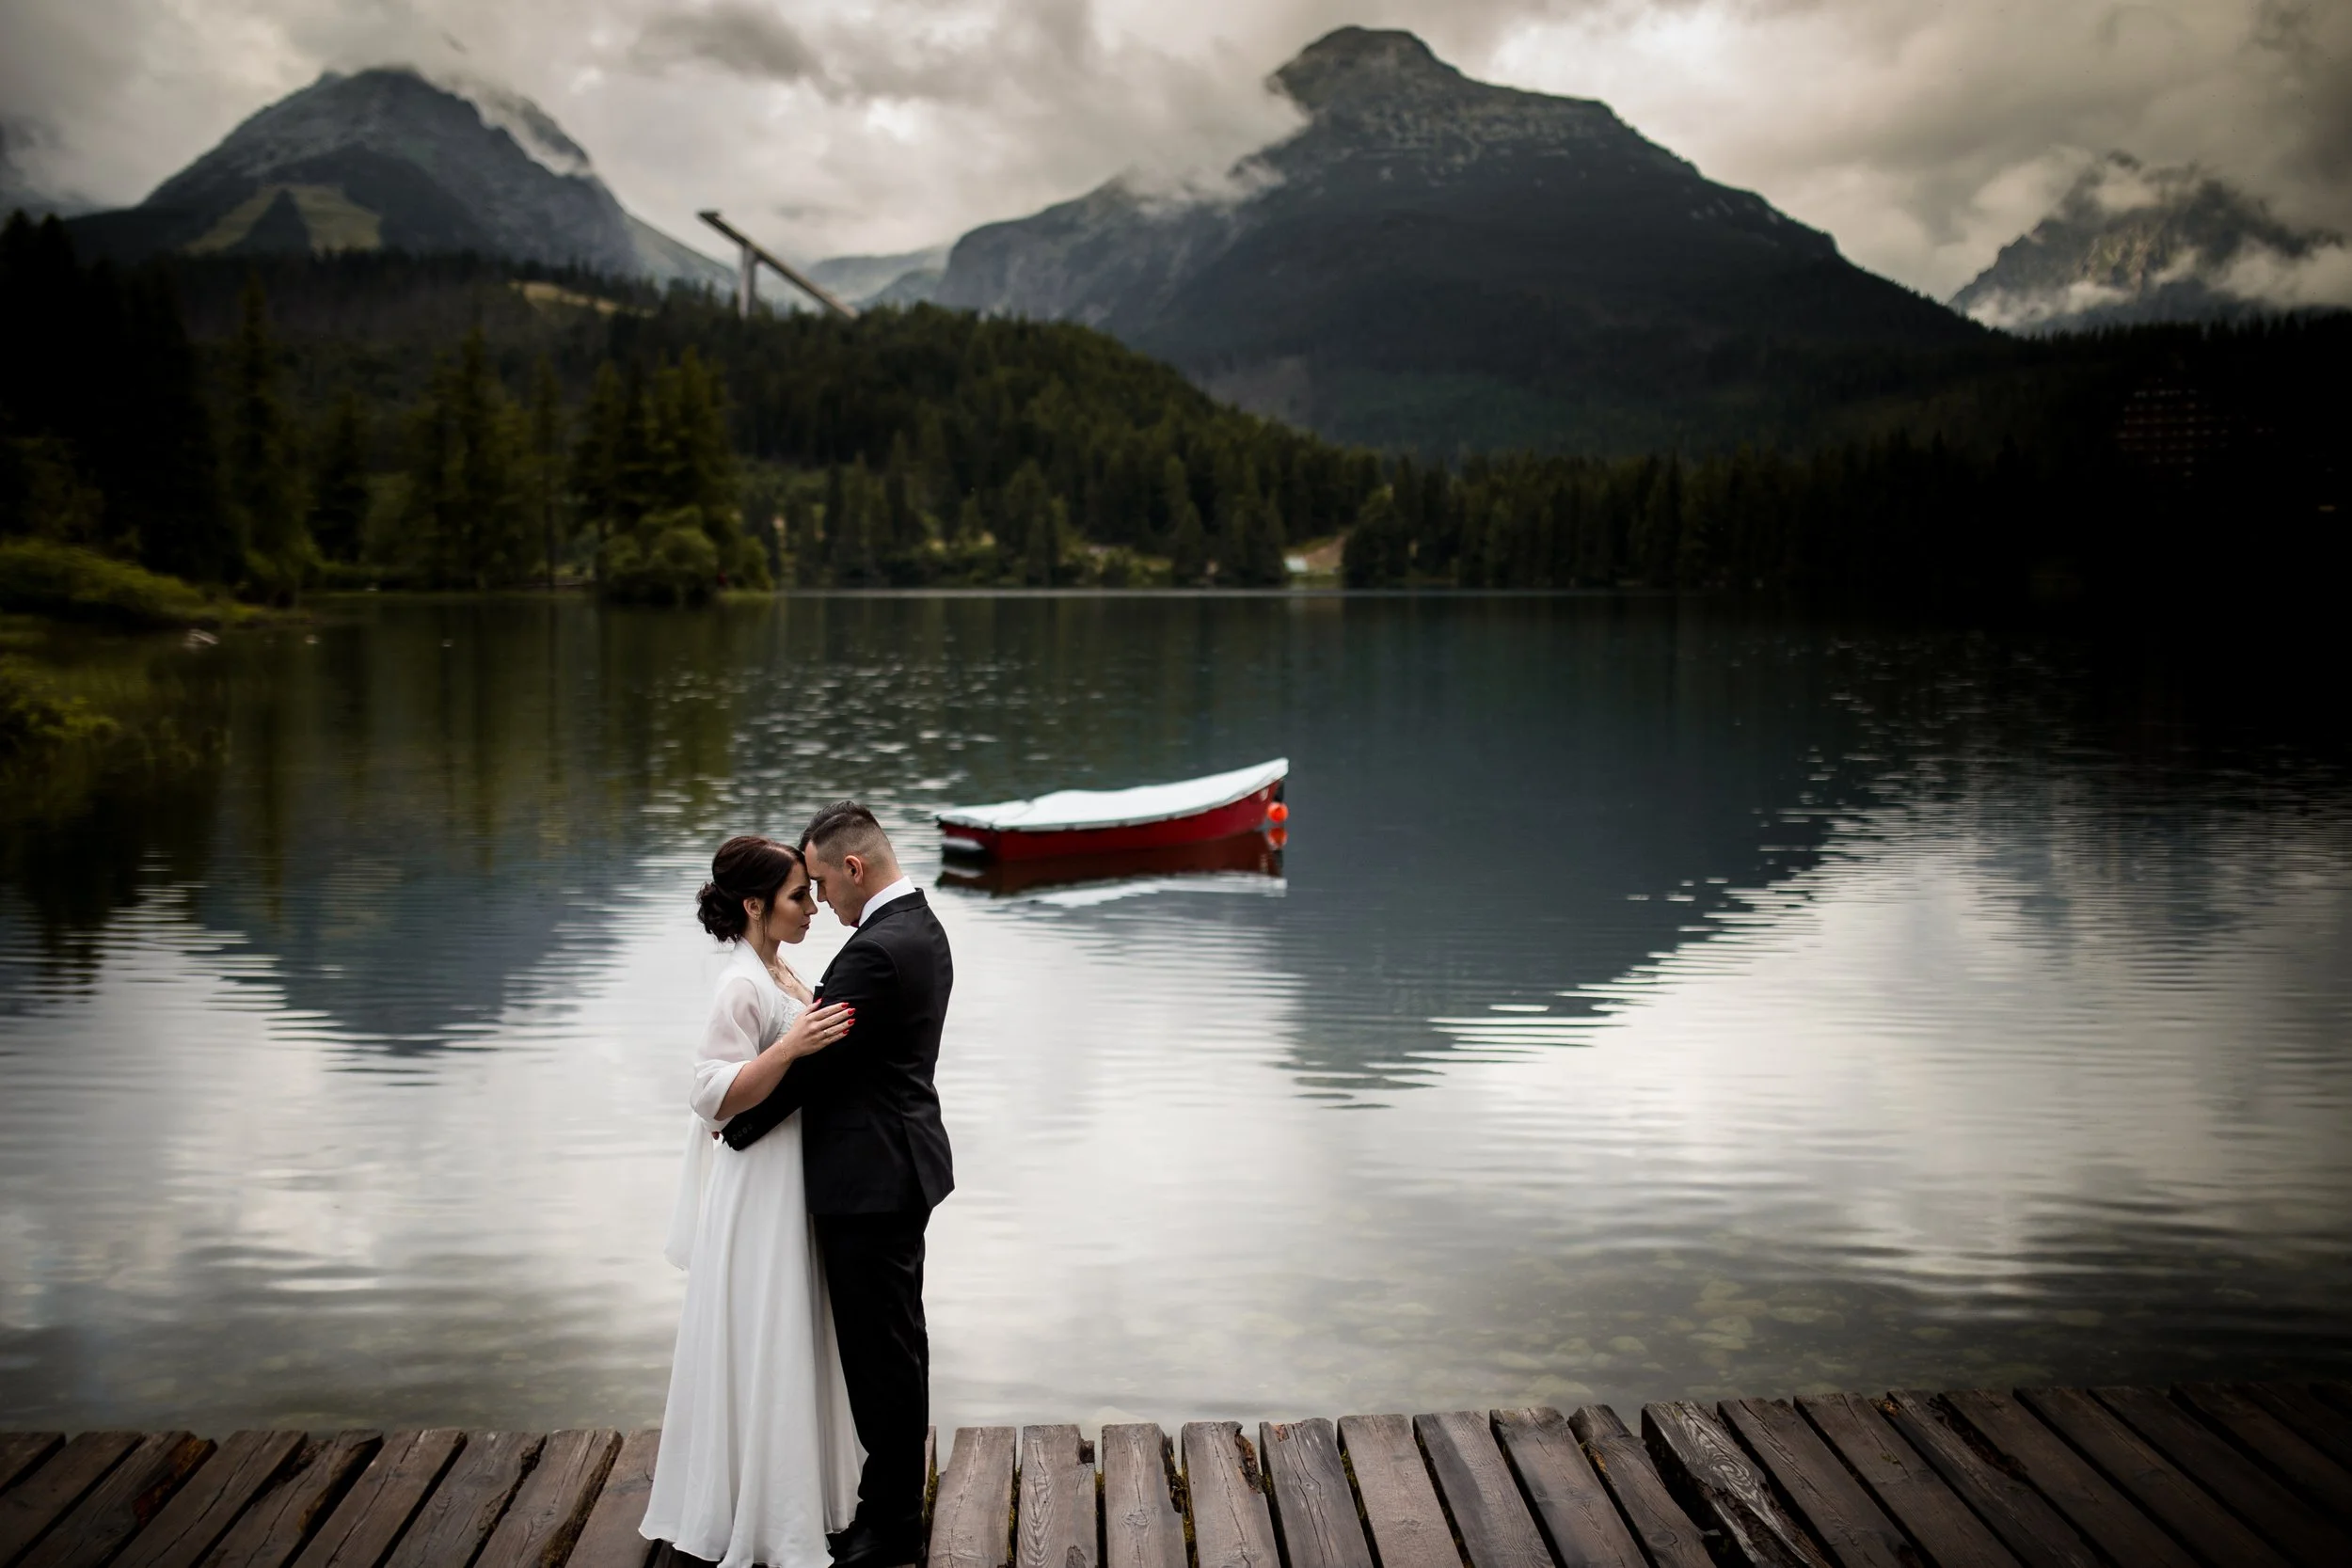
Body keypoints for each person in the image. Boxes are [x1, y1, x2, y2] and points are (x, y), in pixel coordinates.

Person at [723, 801, 954, 1568]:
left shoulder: (872, 953)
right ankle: (889, 1509)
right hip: (901, 1164)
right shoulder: (923, 927)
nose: (819, 900)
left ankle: (887, 1527)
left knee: (880, 1361)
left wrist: (734, 1129)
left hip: (870, 1179)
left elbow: (814, 1065)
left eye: (821, 881)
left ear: (854, 867)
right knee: (898, 1350)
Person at [642, 835, 861, 1568]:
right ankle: (749, 1508)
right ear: (754, 904)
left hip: (790, 1177)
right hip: (758, 1181)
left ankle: (796, 1496)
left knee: (792, 1326)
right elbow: (709, 1094)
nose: (812, 908)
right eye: (799, 896)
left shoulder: (777, 966)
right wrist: (791, 1048)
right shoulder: (739, 982)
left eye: (810, 892)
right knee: (764, 1326)